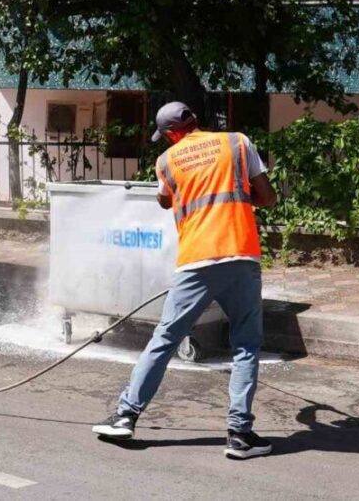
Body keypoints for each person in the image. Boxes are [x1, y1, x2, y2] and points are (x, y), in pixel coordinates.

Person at [92, 101, 278, 460]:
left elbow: (164, 201)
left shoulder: (167, 161)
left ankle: (126, 416)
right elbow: (267, 197)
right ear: (195, 121)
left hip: (196, 261)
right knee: (245, 345)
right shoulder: (238, 143)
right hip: (240, 254)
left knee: (165, 339)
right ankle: (239, 436)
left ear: (172, 134)